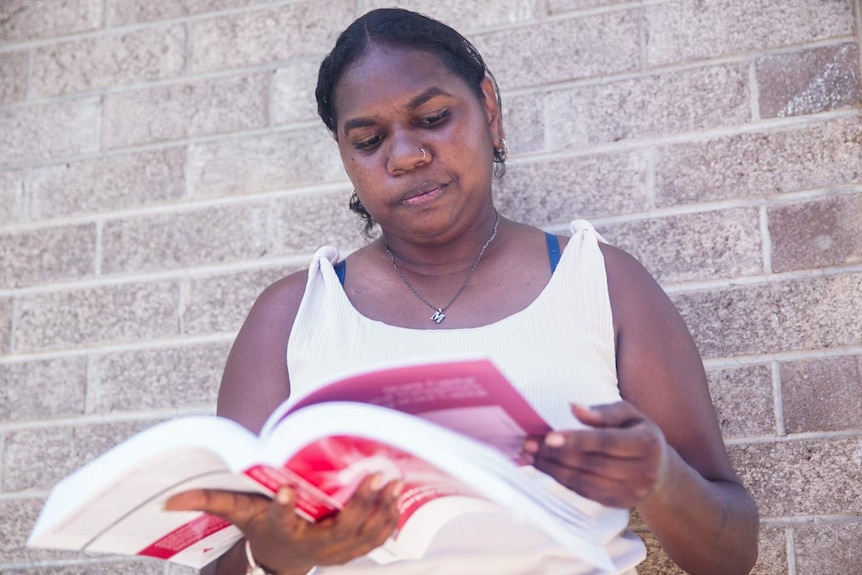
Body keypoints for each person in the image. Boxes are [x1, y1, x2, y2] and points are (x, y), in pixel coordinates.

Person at [166, 8, 759, 575]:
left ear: (489, 111)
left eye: (431, 119)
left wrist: (661, 481)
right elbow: (222, 558)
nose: (406, 155)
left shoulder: (600, 282)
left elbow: (730, 555)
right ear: (346, 159)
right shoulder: (291, 317)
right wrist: (273, 554)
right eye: (369, 140)